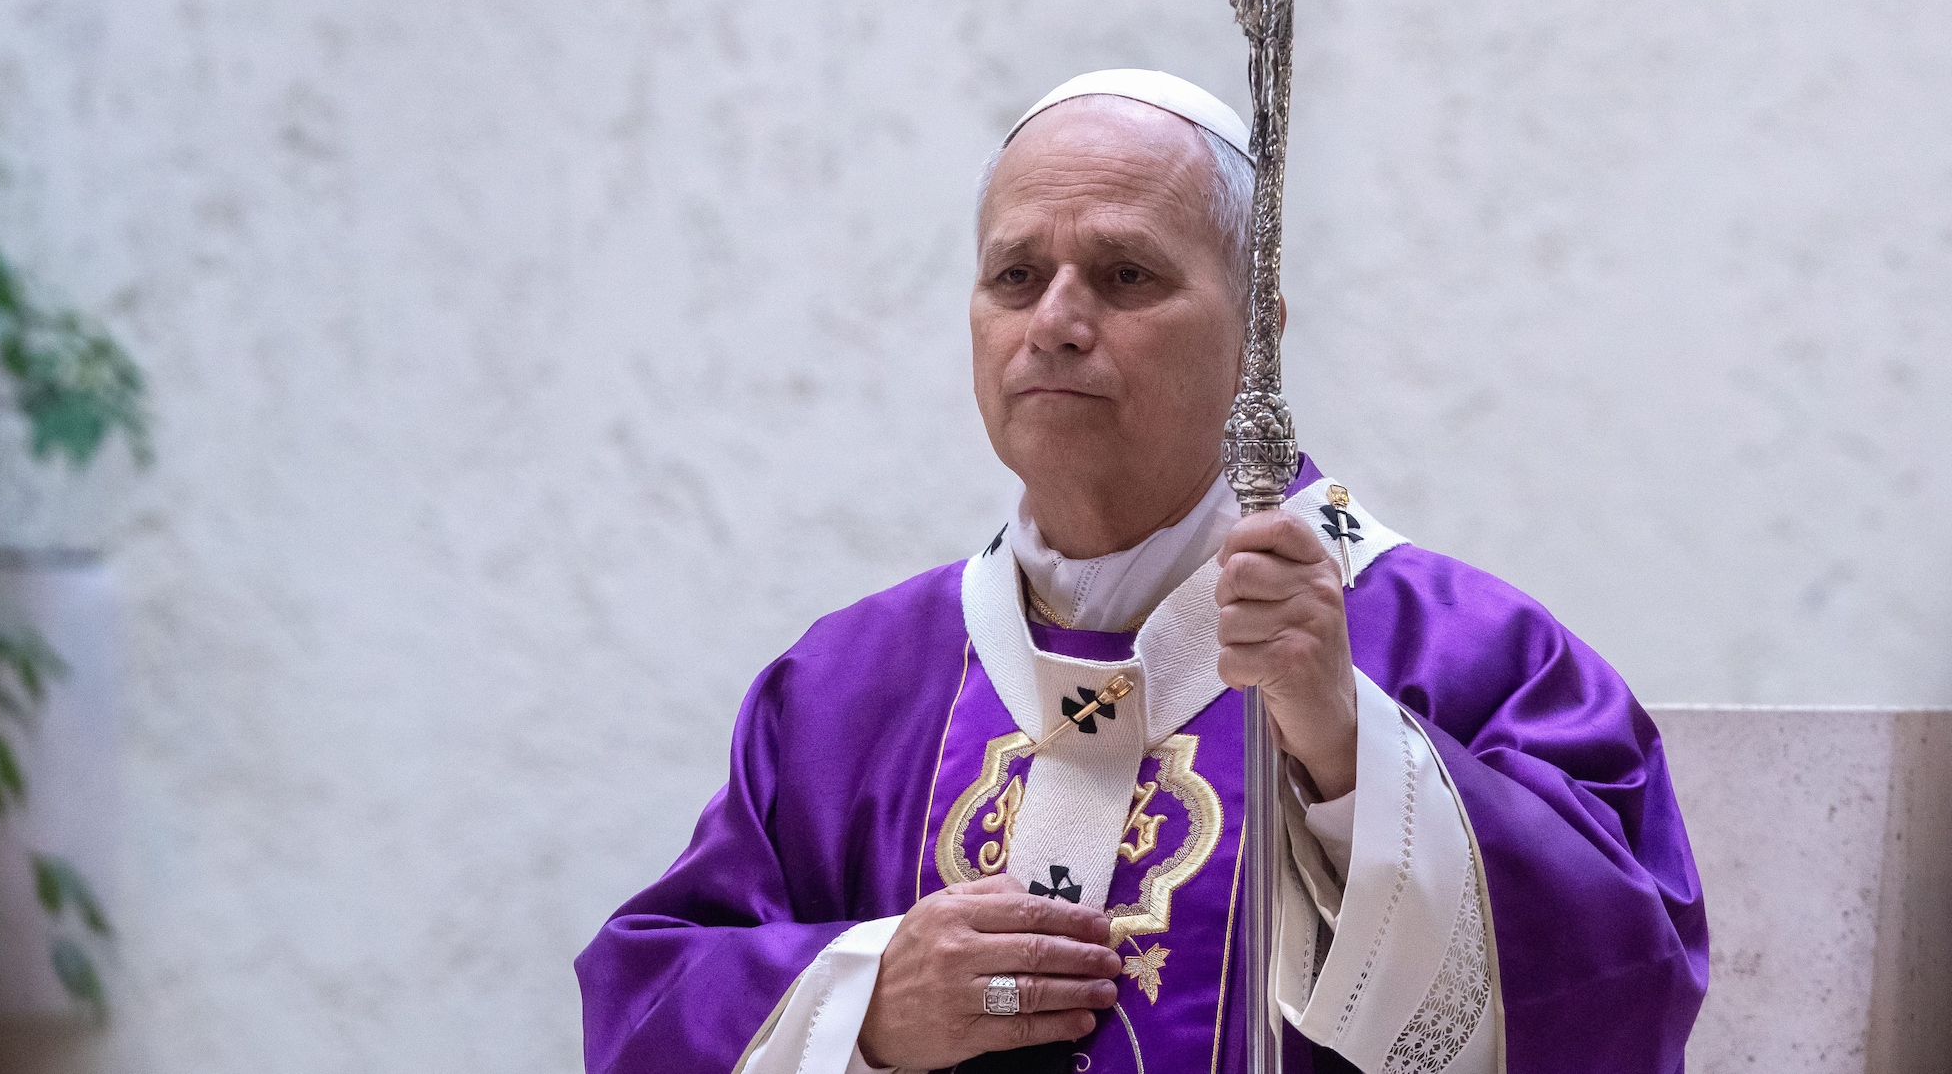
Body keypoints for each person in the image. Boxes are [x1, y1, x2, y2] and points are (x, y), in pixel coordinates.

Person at [578, 70, 1707, 1073]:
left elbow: (1621, 992)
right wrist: (866, 1004)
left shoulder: (1468, 652)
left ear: (1256, 333)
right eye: (1014, 277)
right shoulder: (846, 689)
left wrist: (1348, 754)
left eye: (1124, 274)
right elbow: (645, 1004)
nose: (1056, 322)